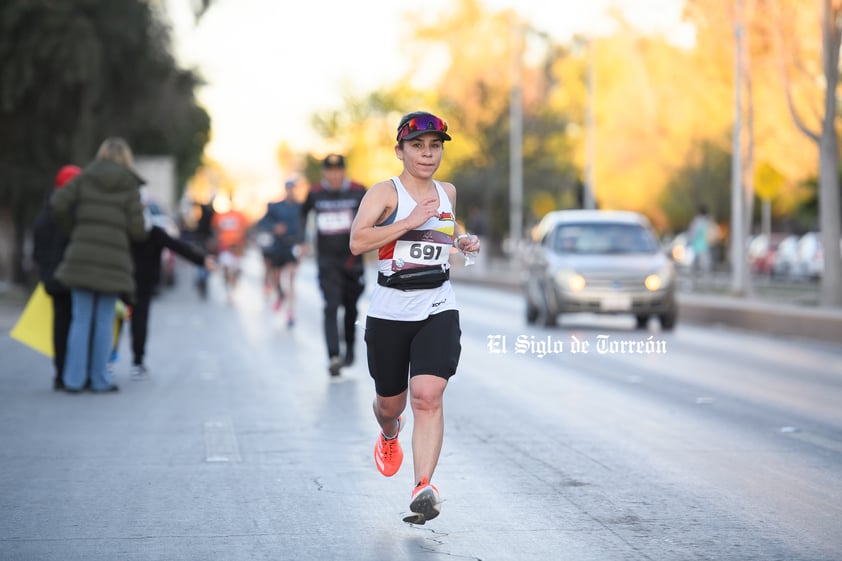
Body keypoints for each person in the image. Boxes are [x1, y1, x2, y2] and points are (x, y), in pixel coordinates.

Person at [348, 111, 480, 524]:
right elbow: (356, 241)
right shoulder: (384, 193)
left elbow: (443, 228)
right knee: (391, 403)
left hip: (437, 304)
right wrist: (407, 221)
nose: (427, 154)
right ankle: (389, 434)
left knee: (428, 395)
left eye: (435, 146)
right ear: (400, 151)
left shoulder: (448, 192)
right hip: (389, 310)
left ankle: (423, 486)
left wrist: (460, 239)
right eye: (418, 146)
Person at [50, 137, 148, 393]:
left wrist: (74, 230)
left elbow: (57, 204)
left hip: (81, 255)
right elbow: (138, 230)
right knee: (105, 320)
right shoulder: (130, 184)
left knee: (80, 319)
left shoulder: (85, 177)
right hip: (113, 261)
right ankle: (99, 379)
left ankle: (73, 380)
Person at [129, 199, 216, 378]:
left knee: (111, 321)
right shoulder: (153, 232)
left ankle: (106, 361)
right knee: (139, 321)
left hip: (121, 280)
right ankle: (137, 362)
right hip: (143, 283)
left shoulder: (122, 230)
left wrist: (201, 261)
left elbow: (178, 247)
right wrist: (202, 261)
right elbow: (178, 247)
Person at [301, 154, 366, 376]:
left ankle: (349, 350)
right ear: (324, 173)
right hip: (327, 261)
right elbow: (302, 216)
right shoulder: (315, 193)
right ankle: (333, 356)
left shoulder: (358, 190)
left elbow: (375, 215)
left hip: (353, 261)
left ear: (344, 171)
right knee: (330, 306)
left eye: (339, 170)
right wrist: (301, 241)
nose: (335, 175)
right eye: (330, 171)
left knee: (350, 308)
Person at [32, 164, 82, 391]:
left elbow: (36, 252)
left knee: (60, 324)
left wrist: (44, 271)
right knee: (76, 324)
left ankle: (60, 374)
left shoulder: (43, 214)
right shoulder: (74, 213)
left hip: (51, 278)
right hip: (71, 276)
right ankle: (74, 374)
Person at [258, 178, 302, 326]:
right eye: (289, 188)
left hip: (292, 247)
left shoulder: (300, 207)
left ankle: (290, 313)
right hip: (278, 247)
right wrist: (274, 227)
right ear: (286, 189)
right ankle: (280, 295)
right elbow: (262, 222)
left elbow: (304, 226)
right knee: (276, 278)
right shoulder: (275, 206)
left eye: (294, 188)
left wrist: (304, 244)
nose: (291, 191)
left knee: (291, 279)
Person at [210, 195, 249, 300]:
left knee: (235, 268)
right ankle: (230, 289)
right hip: (225, 245)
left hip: (237, 246)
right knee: (226, 267)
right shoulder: (220, 215)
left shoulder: (240, 215)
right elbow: (215, 228)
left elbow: (245, 228)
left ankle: (233, 286)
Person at [687, 203, 714, 288]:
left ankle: (693, 284)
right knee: (705, 268)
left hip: (697, 246)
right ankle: (707, 284)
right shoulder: (709, 221)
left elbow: (692, 233)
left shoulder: (697, 221)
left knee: (693, 268)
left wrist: (689, 243)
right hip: (706, 247)